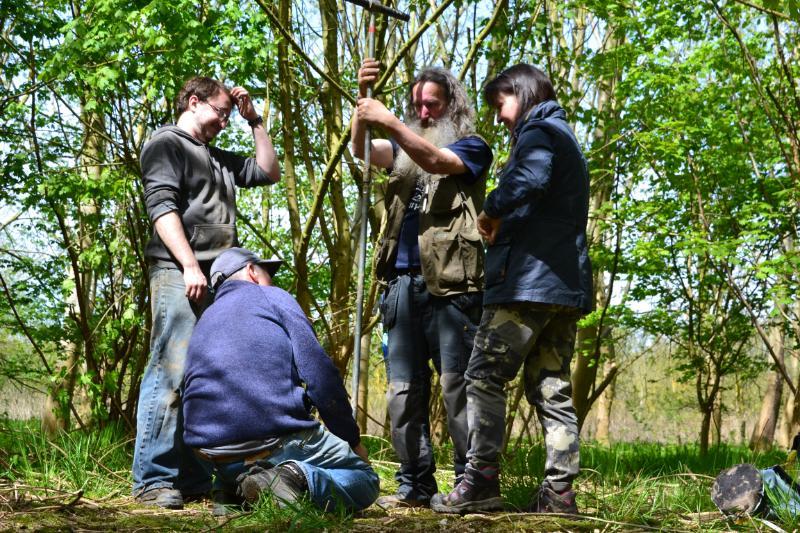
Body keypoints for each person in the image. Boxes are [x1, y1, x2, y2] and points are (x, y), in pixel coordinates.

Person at [430, 64, 593, 515]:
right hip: (563, 290)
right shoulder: (568, 138)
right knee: (552, 388)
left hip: (526, 285)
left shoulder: (540, 132)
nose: (500, 117)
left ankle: (480, 481)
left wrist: (491, 209)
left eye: (501, 104)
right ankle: (559, 495)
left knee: (483, 376)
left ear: (522, 94)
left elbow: (530, 180)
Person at [132, 76, 281, 509]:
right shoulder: (166, 144)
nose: (224, 120)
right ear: (193, 102)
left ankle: (193, 476)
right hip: (181, 272)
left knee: (206, 378)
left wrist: (255, 121)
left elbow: (268, 172)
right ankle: (153, 479)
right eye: (220, 112)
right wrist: (190, 264)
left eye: (229, 115)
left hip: (218, 277)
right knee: (171, 370)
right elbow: (162, 208)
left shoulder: (217, 157)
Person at [352, 59, 493, 508]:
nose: (423, 112)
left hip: (454, 288)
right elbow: (360, 151)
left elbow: (434, 159)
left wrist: (389, 120)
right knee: (402, 392)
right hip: (400, 287)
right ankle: (415, 483)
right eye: (416, 106)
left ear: (453, 104)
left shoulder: (473, 147)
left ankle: (474, 484)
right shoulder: (400, 152)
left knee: (458, 387)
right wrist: (362, 105)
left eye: (431, 104)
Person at [182, 247, 379, 515]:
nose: (272, 282)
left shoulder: (205, 319)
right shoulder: (271, 297)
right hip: (271, 441)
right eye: (267, 274)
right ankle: (292, 477)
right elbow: (320, 373)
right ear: (252, 272)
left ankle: (233, 489)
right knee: (365, 480)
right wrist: (352, 441)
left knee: (244, 461)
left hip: (210, 451)